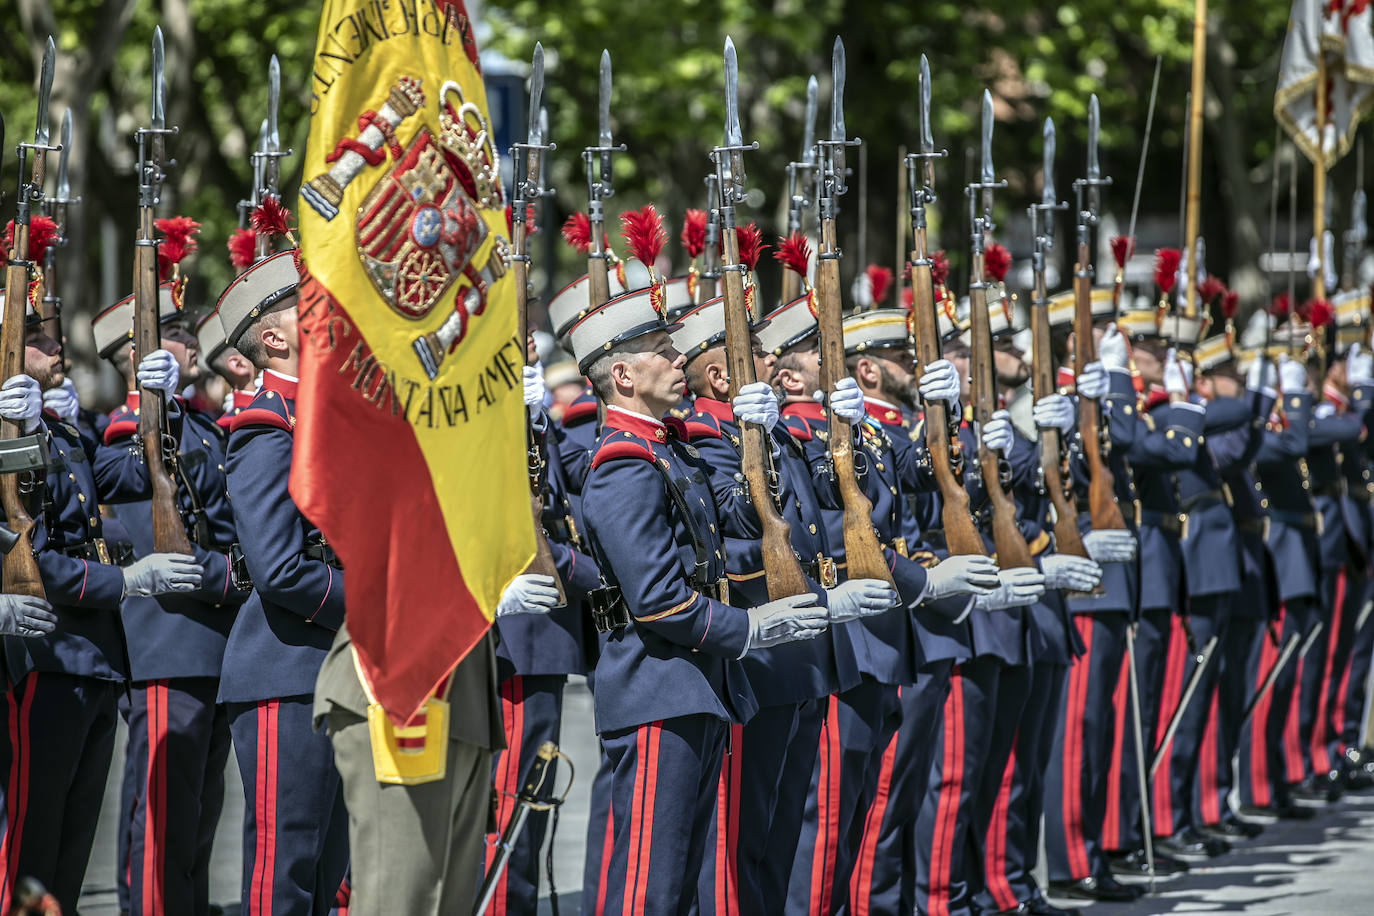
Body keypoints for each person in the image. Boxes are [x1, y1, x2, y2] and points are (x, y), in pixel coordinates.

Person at [567, 283, 831, 915]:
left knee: (681, 881)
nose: (678, 361)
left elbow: (744, 521)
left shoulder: (668, 449)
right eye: (662, 351)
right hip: (657, 687)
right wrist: (749, 630)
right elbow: (657, 601)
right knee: (650, 886)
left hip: (693, 683)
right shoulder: (626, 465)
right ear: (624, 375)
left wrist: (755, 436)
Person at [0, 293, 200, 914]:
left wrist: (160, 403)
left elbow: (140, 473)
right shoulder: (17, 428)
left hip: (92, 661)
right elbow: (28, 544)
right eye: (40, 338)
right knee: (29, 851)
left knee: (70, 850)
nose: (58, 348)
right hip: (47, 657)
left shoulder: (62, 430)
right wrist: (128, 582)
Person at [91, 277, 250, 916]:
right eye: (173, 337)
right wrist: (155, 410)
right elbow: (136, 498)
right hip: (167, 640)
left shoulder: (202, 428)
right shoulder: (122, 434)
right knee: (161, 820)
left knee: (197, 818)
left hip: (212, 642)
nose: (188, 346)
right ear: (137, 353)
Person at [215, 250, 349, 915]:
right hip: (287, 671)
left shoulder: (335, 422)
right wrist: (380, 608)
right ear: (275, 337)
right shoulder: (269, 429)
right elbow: (280, 570)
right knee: (286, 869)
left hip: (342, 670)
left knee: (336, 874)